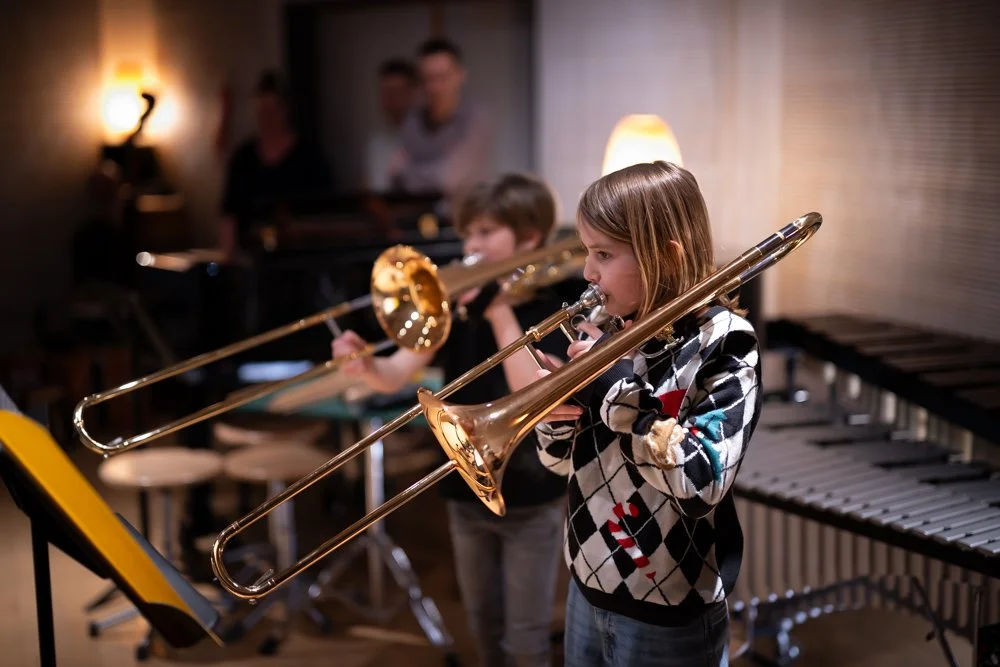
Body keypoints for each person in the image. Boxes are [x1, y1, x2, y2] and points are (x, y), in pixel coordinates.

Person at [533, 161, 762, 667]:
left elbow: (701, 478)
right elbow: (557, 464)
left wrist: (612, 389)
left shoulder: (724, 344)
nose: (588, 273)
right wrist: (554, 414)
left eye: (603, 254)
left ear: (665, 256)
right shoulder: (608, 327)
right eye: (587, 253)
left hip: (671, 606)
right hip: (587, 586)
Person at [333, 173, 567, 667]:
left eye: (485, 232)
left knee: (525, 640)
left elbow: (534, 393)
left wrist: (501, 313)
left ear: (529, 238)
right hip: (466, 490)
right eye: (468, 234)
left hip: (533, 493)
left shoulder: (553, 306)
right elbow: (397, 372)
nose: (470, 246)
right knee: (482, 623)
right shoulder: (453, 310)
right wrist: (365, 364)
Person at [219, 70, 331, 256]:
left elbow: (324, 212)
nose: (266, 118)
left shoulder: (308, 156)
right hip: (252, 256)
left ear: (285, 110)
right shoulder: (244, 157)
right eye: (262, 111)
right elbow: (229, 213)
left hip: (298, 255)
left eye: (272, 111)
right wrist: (229, 256)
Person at [389, 38, 492, 199]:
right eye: (428, 79)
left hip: (463, 216)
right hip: (419, 214)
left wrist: (408, 171)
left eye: (442, 77)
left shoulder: (475, 118)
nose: (435, 87)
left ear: (460, 75)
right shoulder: (413, 119)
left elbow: (449, 179)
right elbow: (394, 175)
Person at [365, 58, 418, 191]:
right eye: (385, 92)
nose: (391, 99)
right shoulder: (376, 143)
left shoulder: (430, 138)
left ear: (412, 94)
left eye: (396, 92)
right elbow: (367, 190)